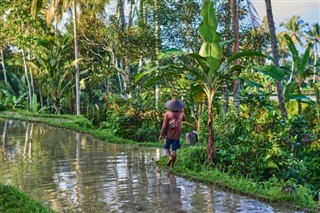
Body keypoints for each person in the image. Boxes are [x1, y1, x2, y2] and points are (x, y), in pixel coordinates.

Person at [159, 99, 186, 167]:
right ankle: (172, 165)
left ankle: (169, 157)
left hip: (169, 134)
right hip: (177, 136)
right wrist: (182, 112)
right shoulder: (181, 114)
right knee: (174, 150)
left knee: (166, 147)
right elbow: (184, 119)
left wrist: (161, 134)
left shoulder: (168, 113)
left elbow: (164, 125)